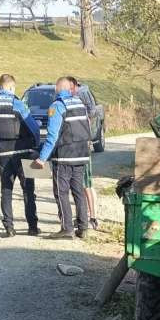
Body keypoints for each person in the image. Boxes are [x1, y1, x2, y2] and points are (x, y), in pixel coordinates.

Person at [32, 77, 91, 239]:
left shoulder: (57, 106)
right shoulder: (80, 104)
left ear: (57, 90)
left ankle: (67, 228)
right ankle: (83, 227)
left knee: (61, 192)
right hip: (81, 154)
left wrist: (42, 159)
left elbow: (52, 136)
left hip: (64, 156)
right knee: (78, 191)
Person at [0, 73, 41, 237]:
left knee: (6, 190)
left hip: (3, 153)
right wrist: (35, 144)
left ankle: (9, 227)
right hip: (23, 152)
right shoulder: (17, 103)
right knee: (28, 190)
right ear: (10, 87)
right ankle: (32, 226)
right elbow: (33, 128)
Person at [66, 75, 99, 231]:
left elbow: (89, 120)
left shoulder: (80, 102)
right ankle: (87, 216)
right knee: (84, 184)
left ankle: (92, 218)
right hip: (81, 146)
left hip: (82, 148)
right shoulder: (78, 104)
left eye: (71, 88)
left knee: (86, 184)